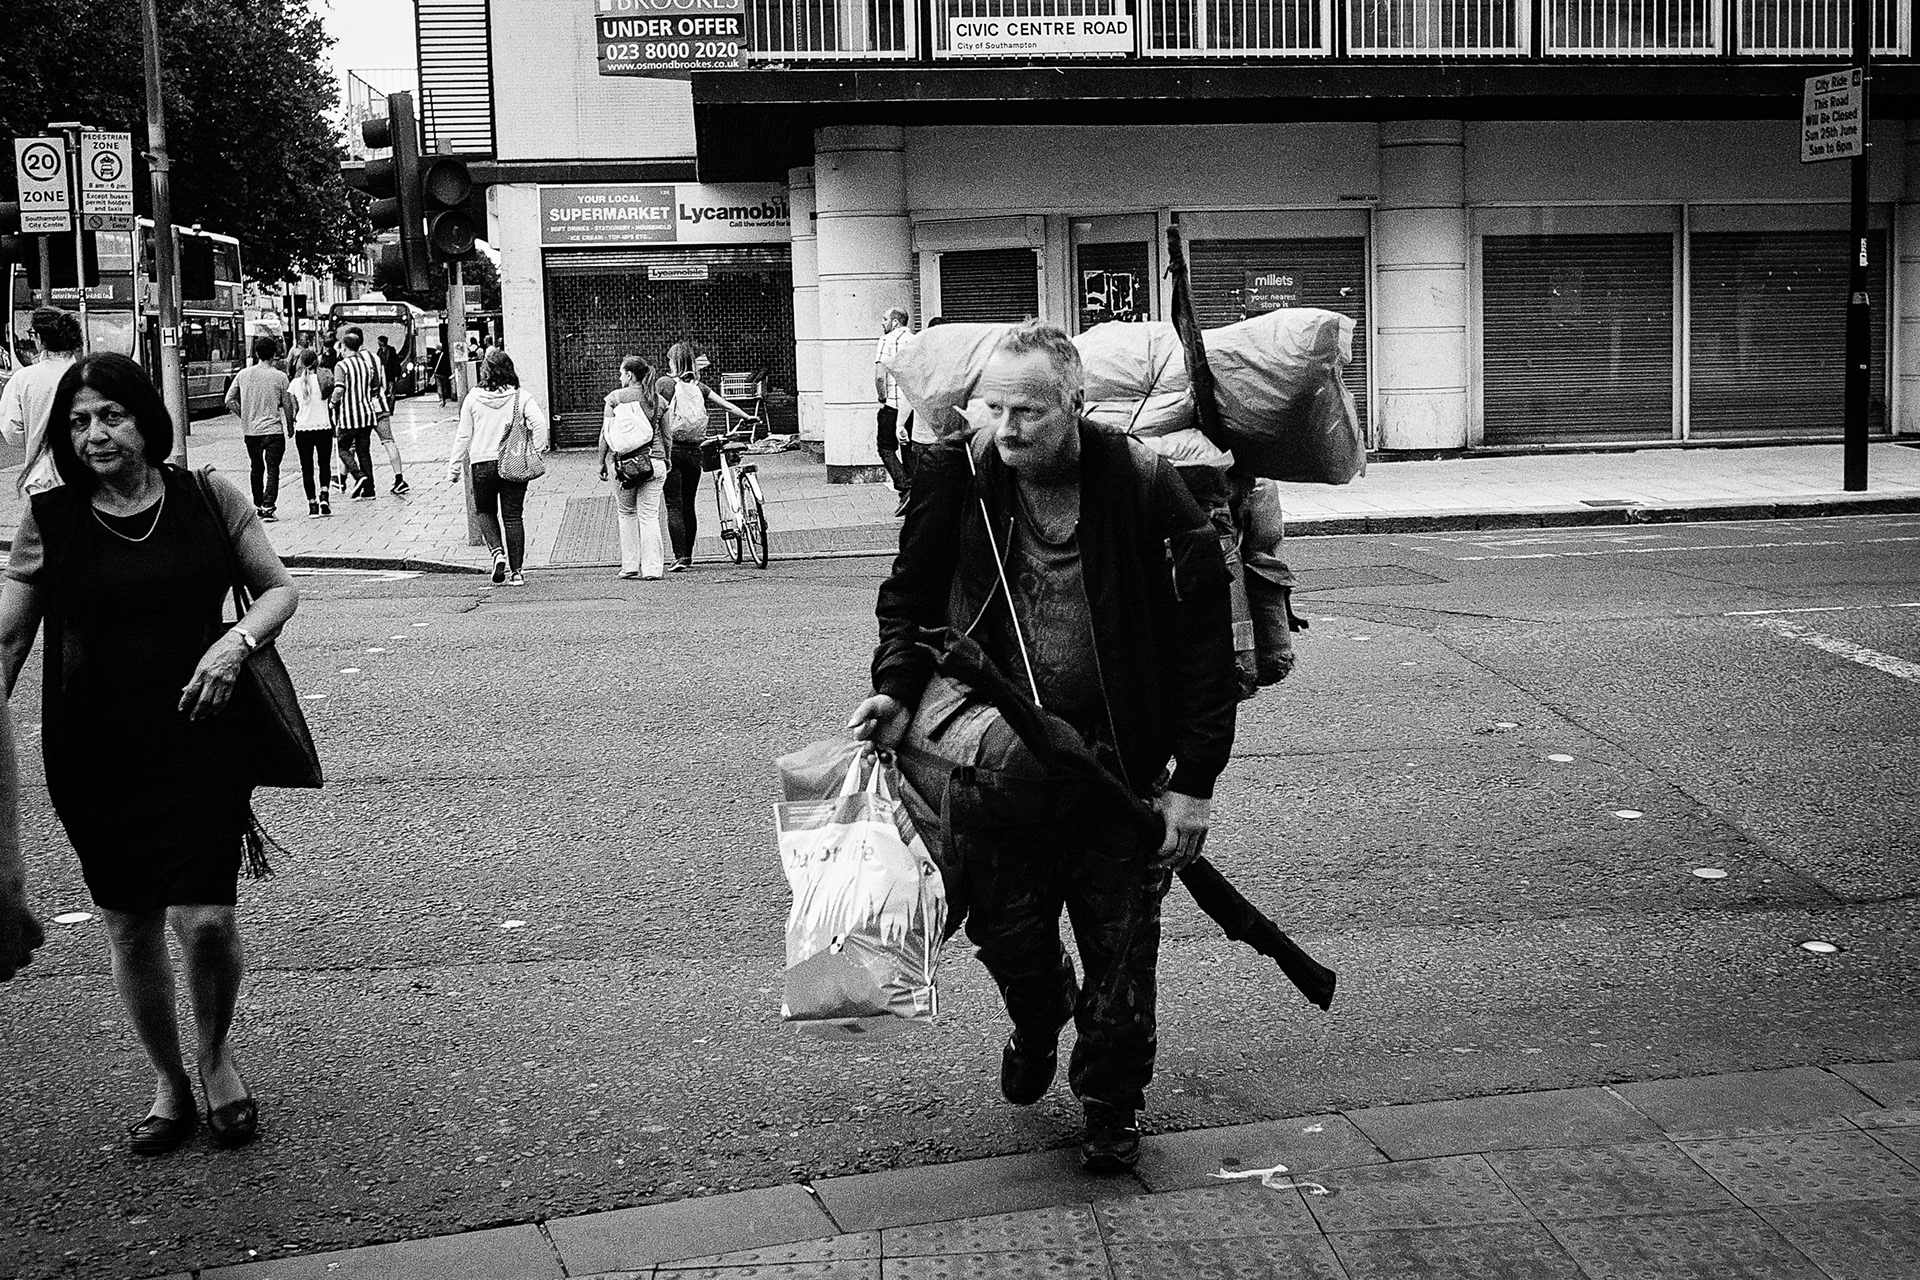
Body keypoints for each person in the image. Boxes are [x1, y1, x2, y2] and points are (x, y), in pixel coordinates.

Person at [846, 320, 1238, 1172]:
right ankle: (1036, 1014)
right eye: (996, 408)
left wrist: (1194, 783)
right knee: (1014, 943)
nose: (1009, 427)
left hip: (1113, 772)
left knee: (1123, 951)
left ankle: (1110, 1100)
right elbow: (908, 602)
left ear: (1076, 403)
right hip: (996, 767)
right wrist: (894, 689)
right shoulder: (962, 480)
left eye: (1030, 411)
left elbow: (1203, 646)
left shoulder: (1142, 487)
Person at [0, 352, 300, 1155]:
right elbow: (8, 640)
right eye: (77, 421)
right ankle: (168, 1079)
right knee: (129, 925)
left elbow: (278, 589)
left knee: (204, 921)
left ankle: (214, 1054)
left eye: (111, 415)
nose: (94, 434)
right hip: (95, 756)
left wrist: (234, 645)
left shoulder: (207, 497)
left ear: (145, 419)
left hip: (202, 740)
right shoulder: (51, 520)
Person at [447, 349, 549, 586]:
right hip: (512, 461)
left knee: (484, 511)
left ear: (486, 371)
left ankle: (497, 553)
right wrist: (537, 449)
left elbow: (463, 435)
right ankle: (517, 573)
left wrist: (453, 467)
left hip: (482, 463)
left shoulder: (472, 398)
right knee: (513, 516)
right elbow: (540, 423)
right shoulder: (520, 397)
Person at [656, 342, 756, 572]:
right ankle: (688, 556)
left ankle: (680, 557)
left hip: (672, 450)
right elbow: (725, 405)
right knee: (689, 504)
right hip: (694, 451)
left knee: (673, 505)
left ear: (673, 362)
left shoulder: (664, 383)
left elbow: (652, 410)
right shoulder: (699, 387)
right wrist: (747, 416)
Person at [598, 355, 669, 580]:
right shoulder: (658, 400)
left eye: (621, 373)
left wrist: (601, 461)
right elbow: (668, 436)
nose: (620, 377)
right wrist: (667, 458)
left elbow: (606, 435)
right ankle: (653, 569)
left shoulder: (615, 399)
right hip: (655, 462)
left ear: (629, 375)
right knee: (649, 516)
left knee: (626, 513)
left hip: (626, 465)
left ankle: (630, 565)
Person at [1, 307, 84, 496]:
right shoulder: (87, 375)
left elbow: (11, 431)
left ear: (39, 338)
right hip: (85, 476)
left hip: (42, 479)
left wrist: (35, 434)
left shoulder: (23, 379)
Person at [224, 335, 295, 521]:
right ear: (274, 354)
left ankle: (257, 502)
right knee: (273, 468)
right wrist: (290, 425)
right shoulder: (280, 377)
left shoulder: (243, 375)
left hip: (251, 431)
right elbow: (287, 404)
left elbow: (229, 399)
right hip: (273, 430)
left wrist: (243, 415)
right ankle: (268, 505)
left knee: (256, 467)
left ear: (256, 353)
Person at [874, 306, 913, 515]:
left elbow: (880, 375)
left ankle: (904, 487)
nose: (882, 323)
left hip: (892, 405)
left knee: (885, 447)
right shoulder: (916, 340)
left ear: (895, 322)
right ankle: (912, 492)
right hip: (912, 407)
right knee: (908, 449)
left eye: (885, 319)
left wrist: (882, 396)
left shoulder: (886, 341)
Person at [288, 348, 336, 517]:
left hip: (303, 429)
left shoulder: (294, 384)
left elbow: (293, 407)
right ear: (317, 362)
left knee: (307, 468)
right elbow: (333, 397)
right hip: (323, 426)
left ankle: (312, 505)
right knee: (324, 464)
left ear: (300, 363)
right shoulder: (324, 381)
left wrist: (290, 425)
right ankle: (324, 495)